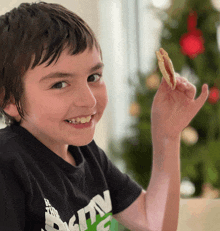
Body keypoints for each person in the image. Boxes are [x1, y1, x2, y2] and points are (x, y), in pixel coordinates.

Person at [0, 2, 209, 231]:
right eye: (60, 84)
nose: (89, 100)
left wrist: (167, 135)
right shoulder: (8, 166)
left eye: (93, 77)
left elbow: (154, 223)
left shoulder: (86, 154)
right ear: (9, 99)